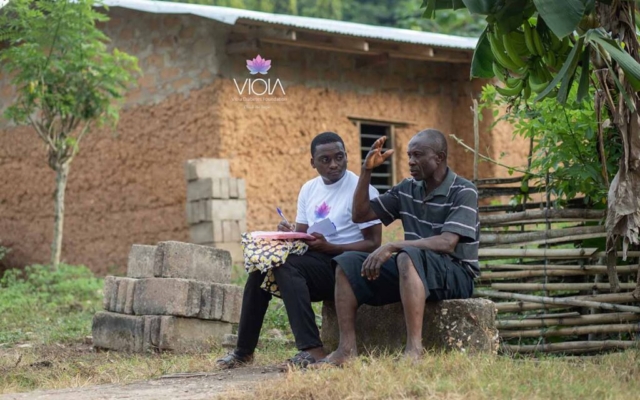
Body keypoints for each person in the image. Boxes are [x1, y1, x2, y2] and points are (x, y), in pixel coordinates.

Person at [216, 131, 382, 369]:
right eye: (325, 160)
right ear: (313, 163)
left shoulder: (361, 188)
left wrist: (331, 246)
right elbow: (301, 238)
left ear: (347, 156)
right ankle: (243, 351)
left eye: (339, 157)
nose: (334, 164)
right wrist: (289, 232)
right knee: (261, 268)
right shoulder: (309, 189)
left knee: (285, 265)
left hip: (346, 266)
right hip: (317, 261)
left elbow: (374, 244)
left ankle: (312, 349)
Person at [317, 128, 479, 366]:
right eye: (409, 155)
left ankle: (414, 351)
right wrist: (367, 170)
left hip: (455, 273)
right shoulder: (407, 188)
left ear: (440, 157)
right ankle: (346, 350)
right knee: (347, 263)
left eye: (418, 155)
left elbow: (447, 243)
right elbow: (360, 215)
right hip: (414, 269)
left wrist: (393, 245)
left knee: (405, 256)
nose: (411, 161)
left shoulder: (463, 191)